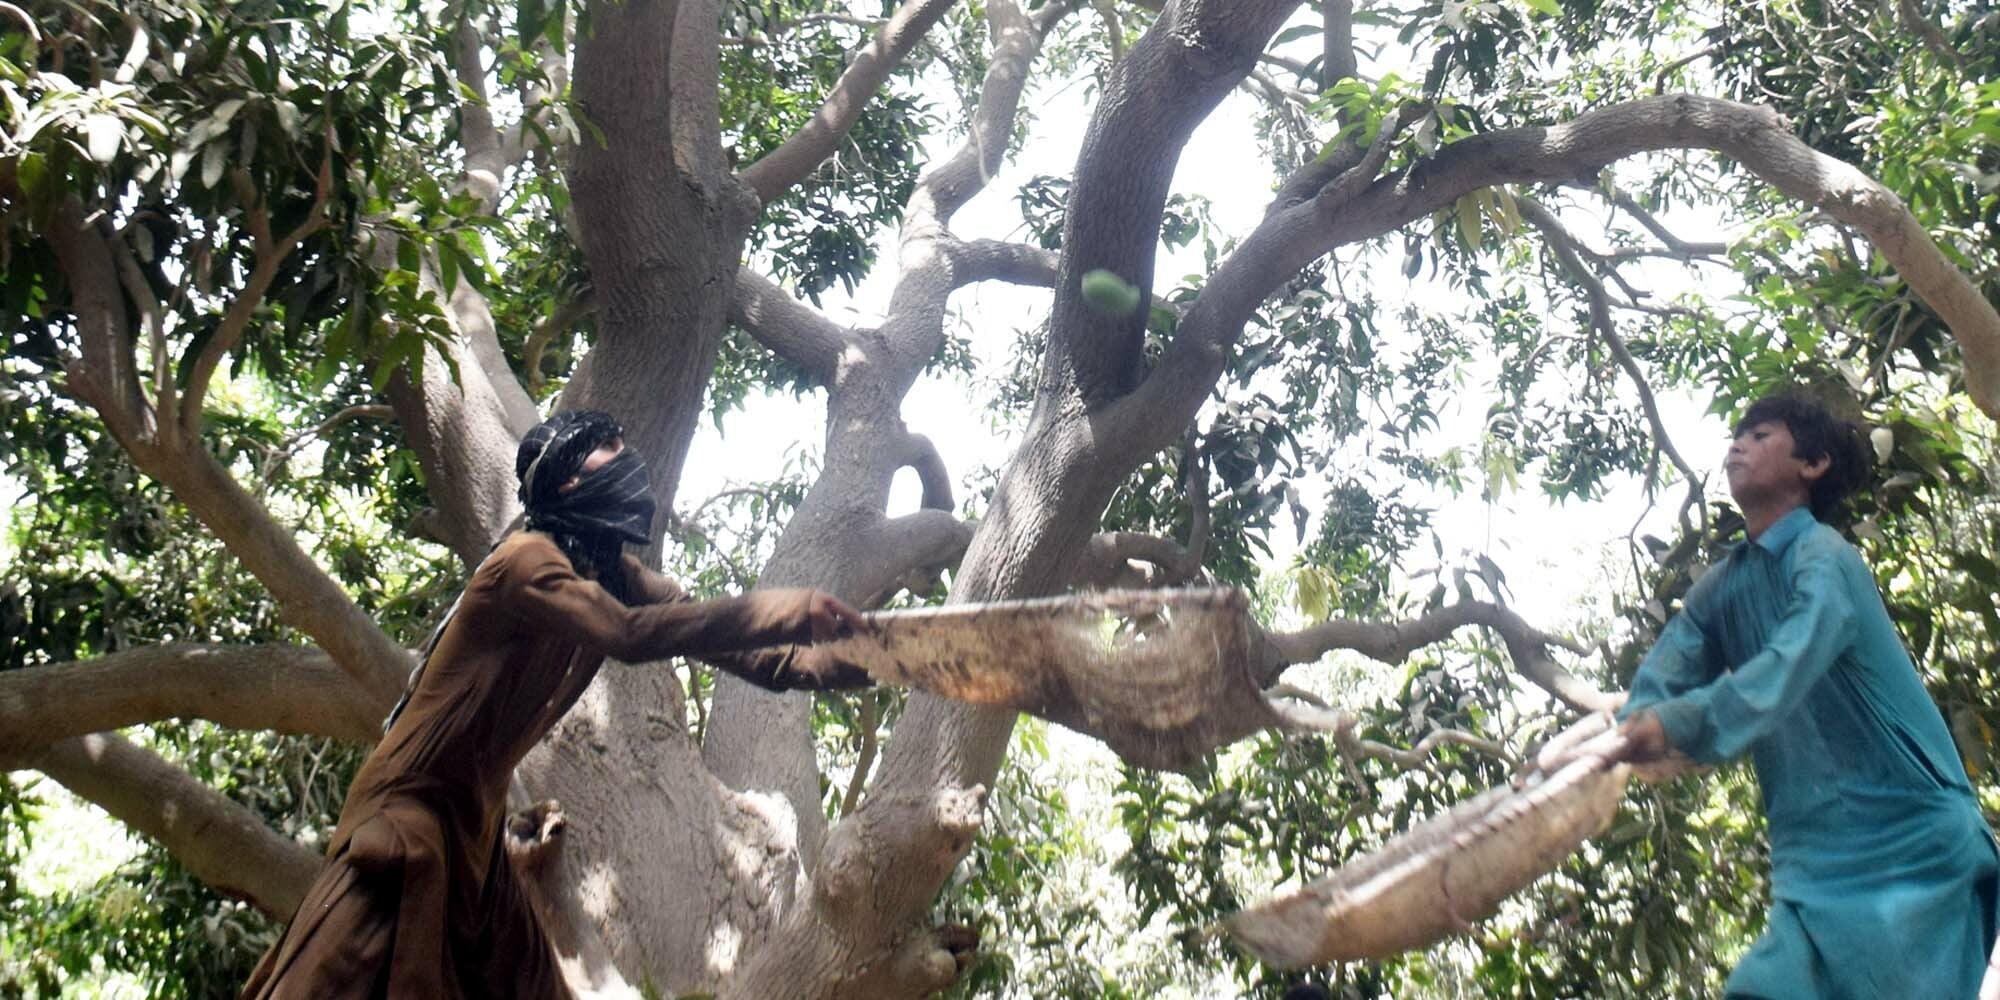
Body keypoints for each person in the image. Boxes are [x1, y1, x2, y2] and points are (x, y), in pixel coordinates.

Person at [242, 410, 873, 999]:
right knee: (330, 977)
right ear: (569, 481)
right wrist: (793, 607)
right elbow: (628, 635)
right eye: (610, 453)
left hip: (475, 824)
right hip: (410, 808)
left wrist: (864, 660)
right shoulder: (524, 562)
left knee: (527, 985)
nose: (629, 464)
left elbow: (743, 651)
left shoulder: (610, 574)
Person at [1613, 391, 1999, 998]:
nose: (1738, 445)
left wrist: (1675, 724)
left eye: (1761, 435)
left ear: (1811, 465)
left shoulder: (1826, 559)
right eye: (1737, 436)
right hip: (1813, 866)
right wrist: (1636, 724)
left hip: (1915, 851)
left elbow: (1786, 665)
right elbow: (1665, 673)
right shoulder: (1721, 587)